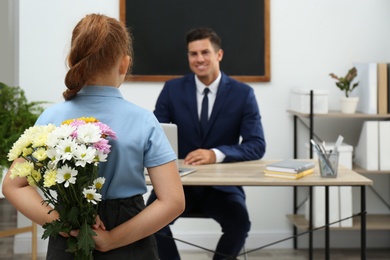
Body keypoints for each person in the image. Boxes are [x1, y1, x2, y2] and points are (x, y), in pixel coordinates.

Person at [2, 14, 185, 259]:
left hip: (68, 237)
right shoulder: (143, 121)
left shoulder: (51, 117)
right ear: (124, 64)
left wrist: (63, 221)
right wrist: (111, 240)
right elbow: (173, 201)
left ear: (71, 60)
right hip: (130, 239)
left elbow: (13, 185)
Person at [147, 27, 266, 260]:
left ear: (218, 54)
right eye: (193, 54)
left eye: (205, 52)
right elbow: (155, 134)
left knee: (240, 223)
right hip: (178, 185)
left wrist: (215, 154)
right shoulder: (172, 90)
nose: (199, 59)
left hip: (222, 189)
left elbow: (257, 144)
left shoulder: (243, 94)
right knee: (150, 221)